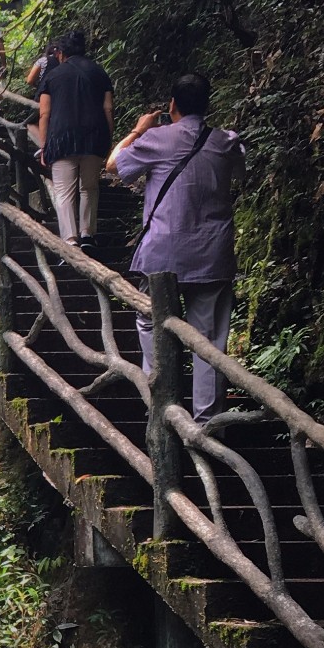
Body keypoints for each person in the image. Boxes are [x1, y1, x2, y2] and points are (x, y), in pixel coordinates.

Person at [108, 70, 241, 421]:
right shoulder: (226, 142)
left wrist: (139, 129)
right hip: (213, 253)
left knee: (152, 322)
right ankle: (207, 425)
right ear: (208, 104)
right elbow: (238, 169)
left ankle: (161, 406)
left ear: (172, 105)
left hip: (163, 253)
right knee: (209, 339)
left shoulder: (158, 139)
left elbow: (112, 166)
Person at [37, 27, 114, 249]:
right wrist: (107, 139)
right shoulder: (99, 73)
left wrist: (44, 145)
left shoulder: (52, 76)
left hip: (61, 138)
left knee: (64, 191)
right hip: (94, 135)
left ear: (60, 53)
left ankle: (70, 239)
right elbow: (108, 109)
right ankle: (88, 233)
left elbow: (45, 113)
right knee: (89, 187)